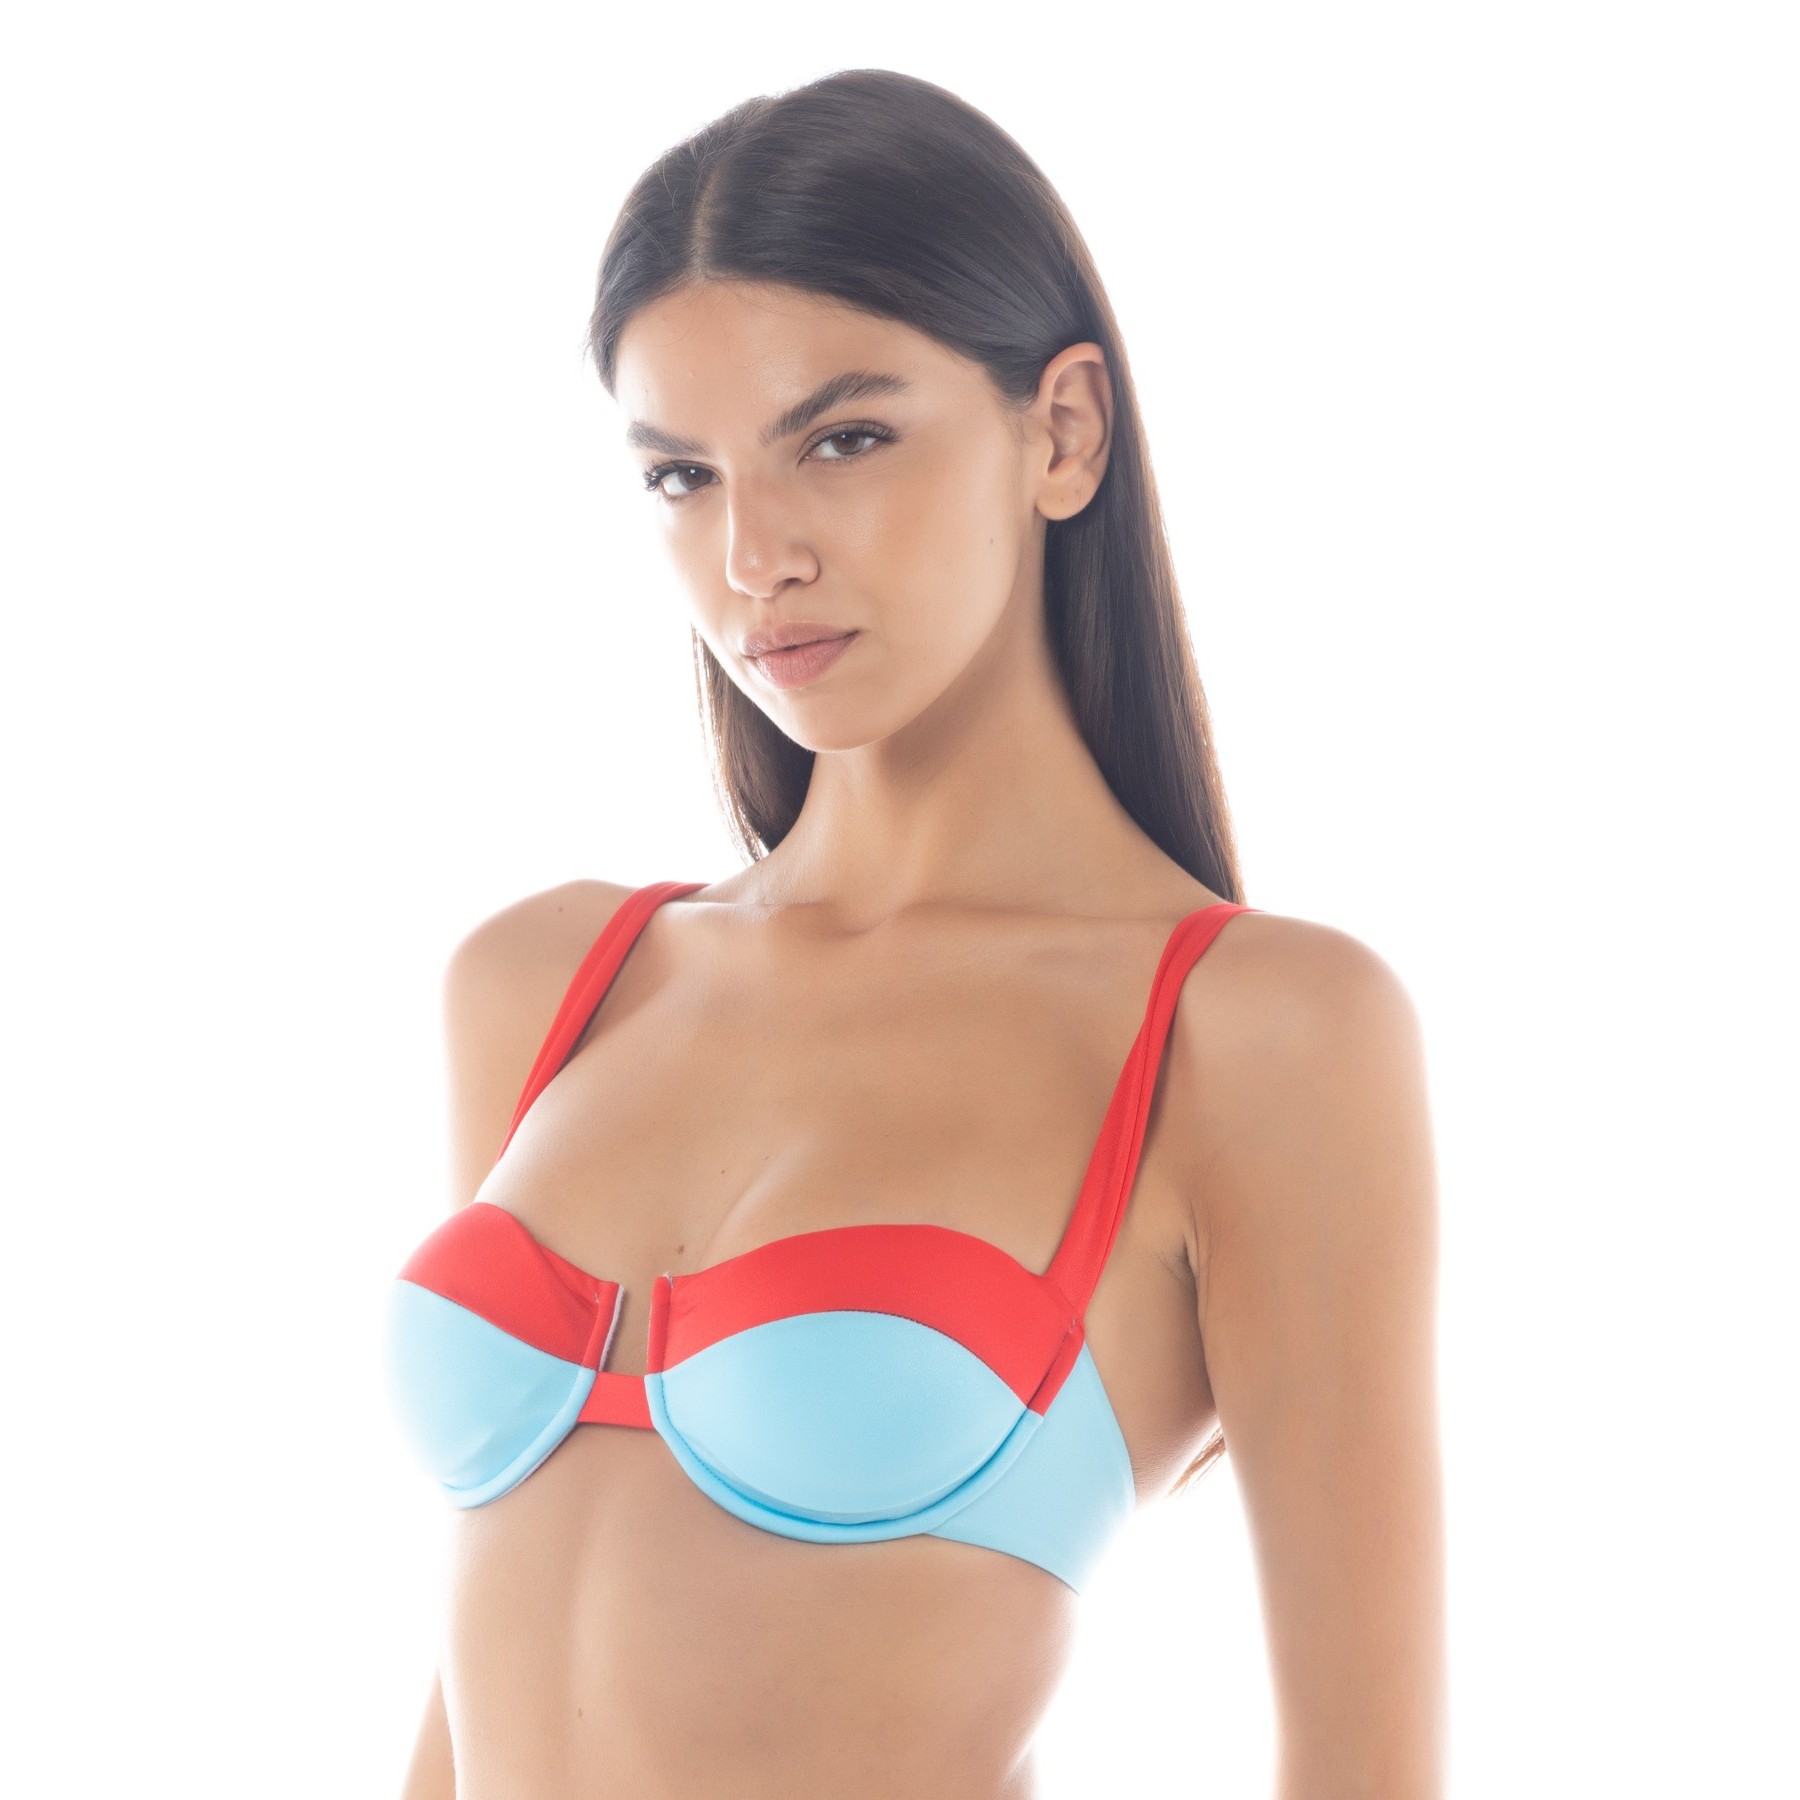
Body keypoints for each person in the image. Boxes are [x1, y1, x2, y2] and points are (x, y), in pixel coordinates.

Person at [390, 67, 1444, 1800]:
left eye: (844, 439)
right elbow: (472, 1685)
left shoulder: (1249, 1034)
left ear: (1063, 432)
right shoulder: (548, 982)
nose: (754, 556)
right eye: (682, 476)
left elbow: (1365, 1773)